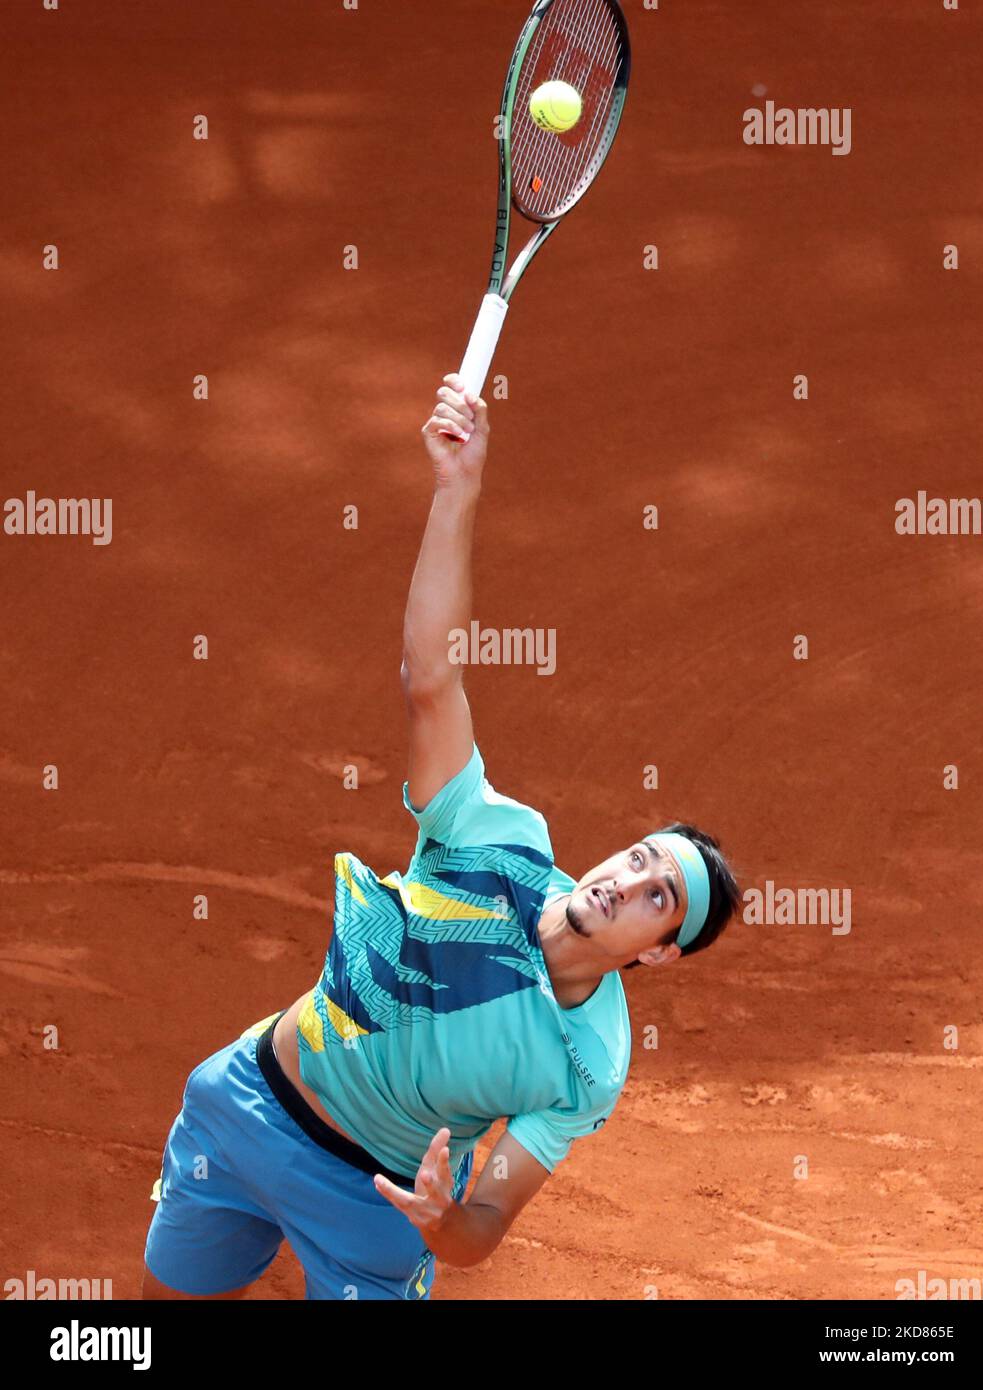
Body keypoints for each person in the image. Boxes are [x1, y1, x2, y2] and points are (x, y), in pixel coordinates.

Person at [142, 374, 741, 1301]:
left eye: (659, 895)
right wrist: (455, 492)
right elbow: (432, 678)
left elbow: (484, 1227)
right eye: (637, 857)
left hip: (375, 1203)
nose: (627, 880)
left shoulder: (589, 1064)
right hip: (248, 1104)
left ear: (658, 956)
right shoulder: (496, 843)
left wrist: (444, 1222)